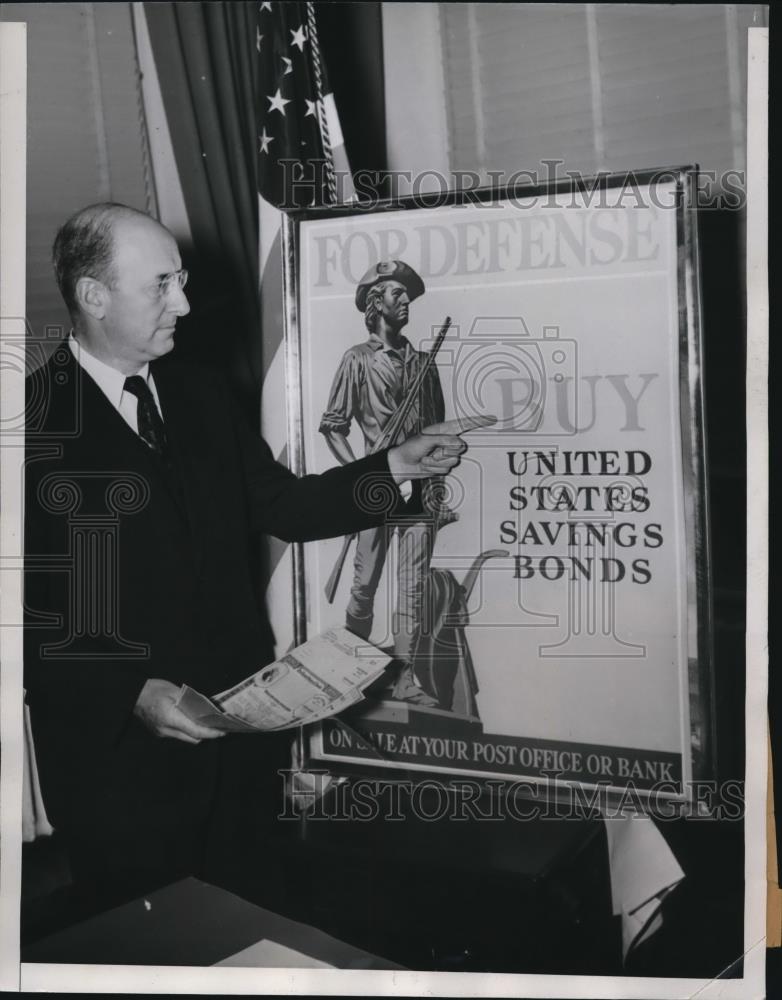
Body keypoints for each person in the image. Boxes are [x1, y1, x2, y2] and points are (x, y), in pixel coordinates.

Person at [23, 204, 474, 917]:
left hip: (237, 747)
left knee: (249, 926)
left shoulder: (198, 391)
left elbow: (283, 507)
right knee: (150, 949)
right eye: (162, 285)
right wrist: (131, 693)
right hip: (119, 771)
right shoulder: (29, 424)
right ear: (94, 295)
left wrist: (396, 464)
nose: (186, 303)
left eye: (184, 280)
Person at [319, 260, 454, 706]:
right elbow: (334, 426)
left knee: (412, 587)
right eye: (397, 294)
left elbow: (437, 428)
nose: (406, 302)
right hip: (373, 489)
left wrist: (439, 474)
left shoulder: (423, 362)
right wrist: (359, 474)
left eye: (408, 295)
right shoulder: (357, 360)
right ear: (376, 303)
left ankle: (405, 678)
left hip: (418, 491)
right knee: (364, 586)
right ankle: (353, 671)